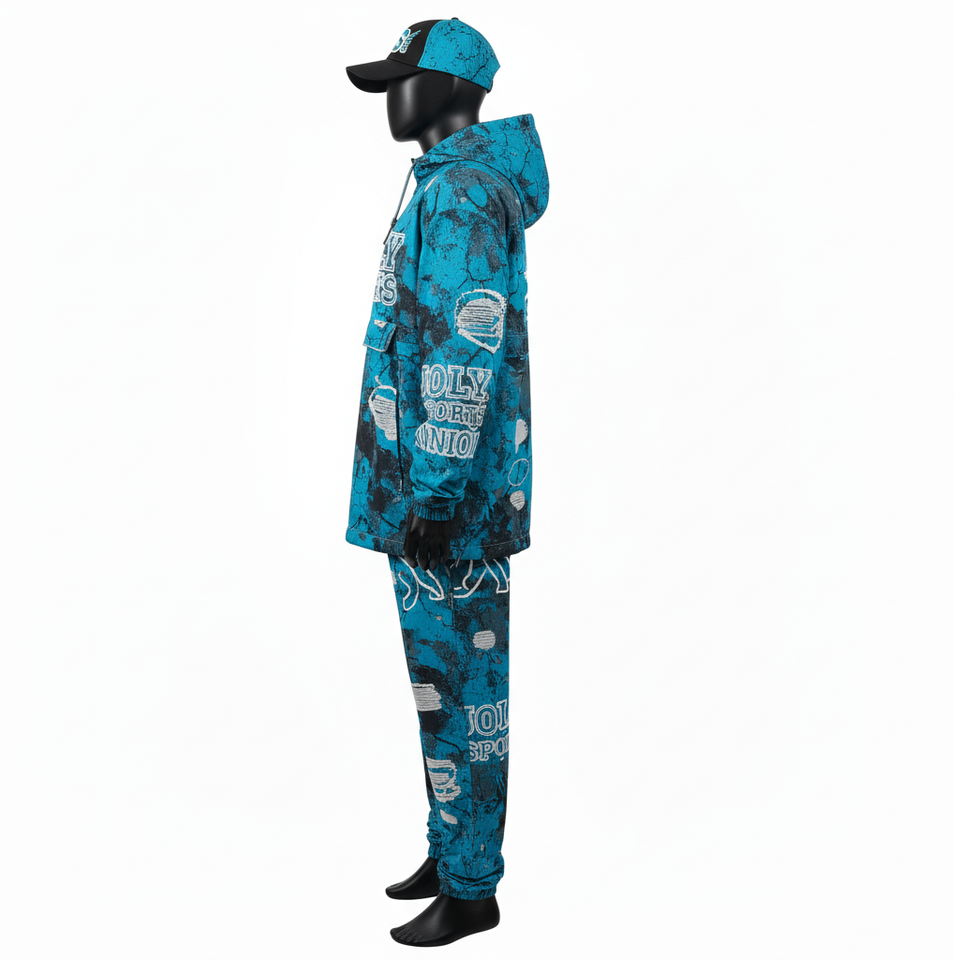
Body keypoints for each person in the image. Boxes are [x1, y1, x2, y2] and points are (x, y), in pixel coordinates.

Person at [344, 19, 549, 947]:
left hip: (448, 509)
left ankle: (473, 889)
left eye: (405, 79)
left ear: (454, 88)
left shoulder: (462, 192)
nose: (393, 97)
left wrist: (431, 494)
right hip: (433, 497)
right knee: (441, 685)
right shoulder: (442, 182)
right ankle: (450, 846)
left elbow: (462, 351)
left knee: (466, 691)